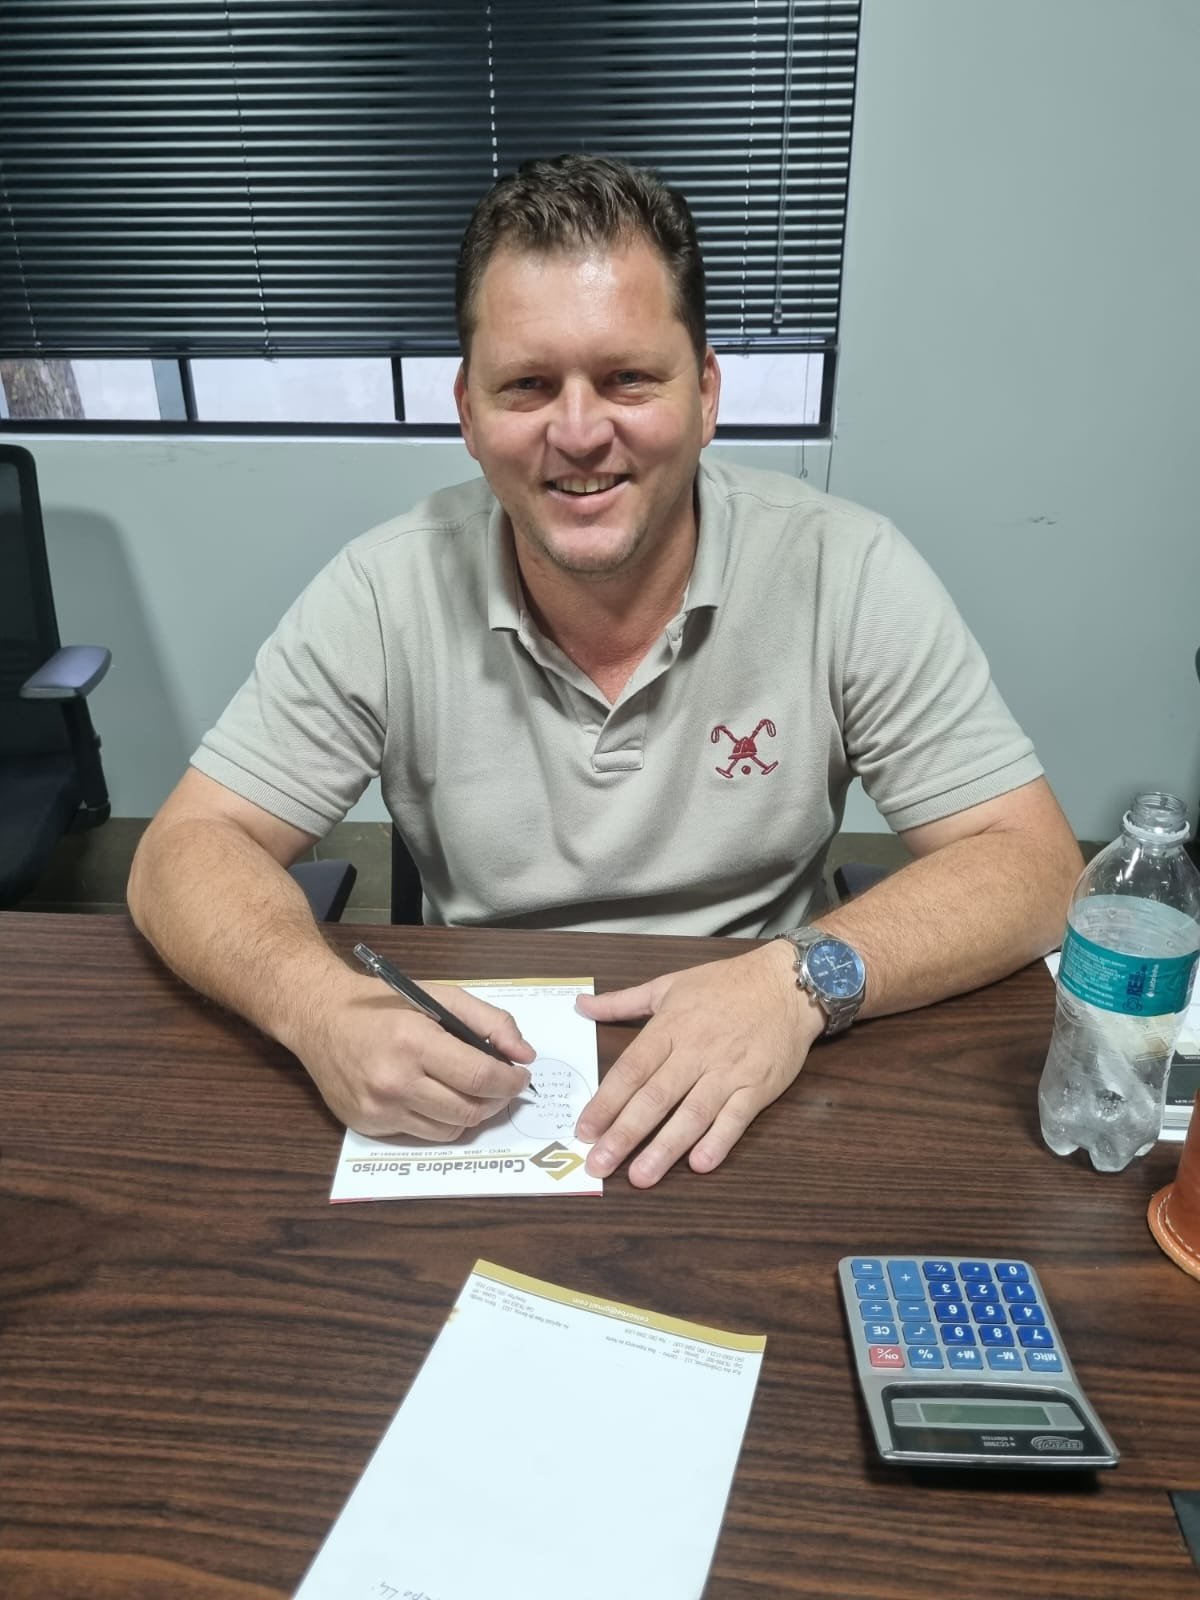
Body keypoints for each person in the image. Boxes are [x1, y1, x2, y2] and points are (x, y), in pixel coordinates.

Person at [127, 154, 1082, 1188]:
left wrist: (802, 980)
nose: (579, 434)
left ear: (705, 393)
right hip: (480, 1085)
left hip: (765, 1050)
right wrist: (318, 1005)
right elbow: (185, 847)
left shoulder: (844, 568)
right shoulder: (381, 588)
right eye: (528, 385)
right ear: (468, 410)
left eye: (628, 378)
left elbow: (1033, 866)